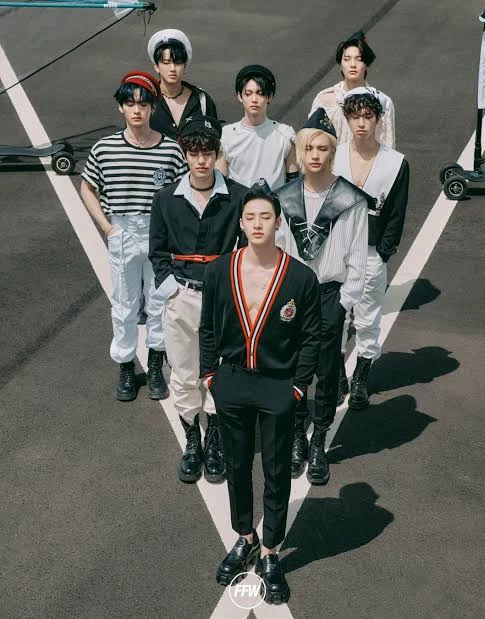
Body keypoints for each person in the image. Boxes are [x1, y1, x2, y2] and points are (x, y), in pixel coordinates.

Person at [200, 184, 320, 605]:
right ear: (241, 222)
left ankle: (270, 550)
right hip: (232, 380)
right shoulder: (220, 270)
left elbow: (311, 337)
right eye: (250, 217)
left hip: (277, 384)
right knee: (236, 464)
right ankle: (244, 536)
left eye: (265, 217)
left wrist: (298, 386)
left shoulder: (301, 277)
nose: (257, 224)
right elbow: (207, 327)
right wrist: (210, 375)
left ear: (278, 222)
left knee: (276, 468)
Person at [149, 116, 247, 484]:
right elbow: (158, 251)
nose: (201, 160)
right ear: (185, 154)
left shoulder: (238, 196)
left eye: (208, 152)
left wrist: (236, 293)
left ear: (217, 153)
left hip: (223, 300)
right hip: (182, 296)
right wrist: (171, 290)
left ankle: (215, 437)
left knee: (219, 370)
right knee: (183, 371)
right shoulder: (165, 199)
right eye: (194, 153)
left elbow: (246, 248)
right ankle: (193, 439)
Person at [276, 108, 370, 485]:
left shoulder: (350, 199)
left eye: (323, 148)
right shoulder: (285, 197)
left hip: (330, 295)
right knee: (292, 366)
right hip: (293, 295)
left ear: (332, 151)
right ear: (300, 152)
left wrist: (344, 303)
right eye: (309, 148)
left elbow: (359, 259)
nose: (315, 155)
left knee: (327, 370)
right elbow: (278, 251)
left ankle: (319, 438)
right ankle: (298, 432)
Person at [81, 71, 187, 401]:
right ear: (121, 107)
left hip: (159, 234)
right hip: (123, 230)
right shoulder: (105, 148)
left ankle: (155, 365)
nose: (137, 109)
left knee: (159, 302)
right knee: (124, 305)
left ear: (153, 107)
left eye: (143, 103)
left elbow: (183, 193)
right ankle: (126, 365)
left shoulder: (170, 150)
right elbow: (87, 187)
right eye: (130, 103)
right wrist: (107, 227)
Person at [334, 91, 409, 408]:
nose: (361, 123)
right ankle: (338, 374)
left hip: (371, 250)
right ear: (347, 119)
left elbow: (397, 213)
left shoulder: (395, 163)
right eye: (355, 117)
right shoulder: (334, 155)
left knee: (367, 319)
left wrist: (383, 251)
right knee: (335, 317)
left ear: (378, 119)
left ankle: (361, 378)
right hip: (335, 250)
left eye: (367, 117)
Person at [216, 65, 299, 189]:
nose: (254, 99)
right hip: (238, 201)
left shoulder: (285, 134)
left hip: (275, 201)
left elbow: (294, 184)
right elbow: (219, 182)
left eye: (260, 94)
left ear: (269, 97)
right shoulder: (226, 135)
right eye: (248, 94)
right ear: (239, 96)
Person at [309, 30, 395, 147]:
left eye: (359, 59)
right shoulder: (323, 100)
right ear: (340, 64)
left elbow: (388, 145)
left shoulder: (382, 101)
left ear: (366, 64)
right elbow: (309, 140)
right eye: (347, 59)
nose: (353, 64)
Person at [147, 28, 218, 140]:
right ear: (156, 67)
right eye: (166, 62)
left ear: (185, 66)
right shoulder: (146, 99)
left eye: (178, 63)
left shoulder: (201, 100)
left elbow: (214, 139)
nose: (172, 68)